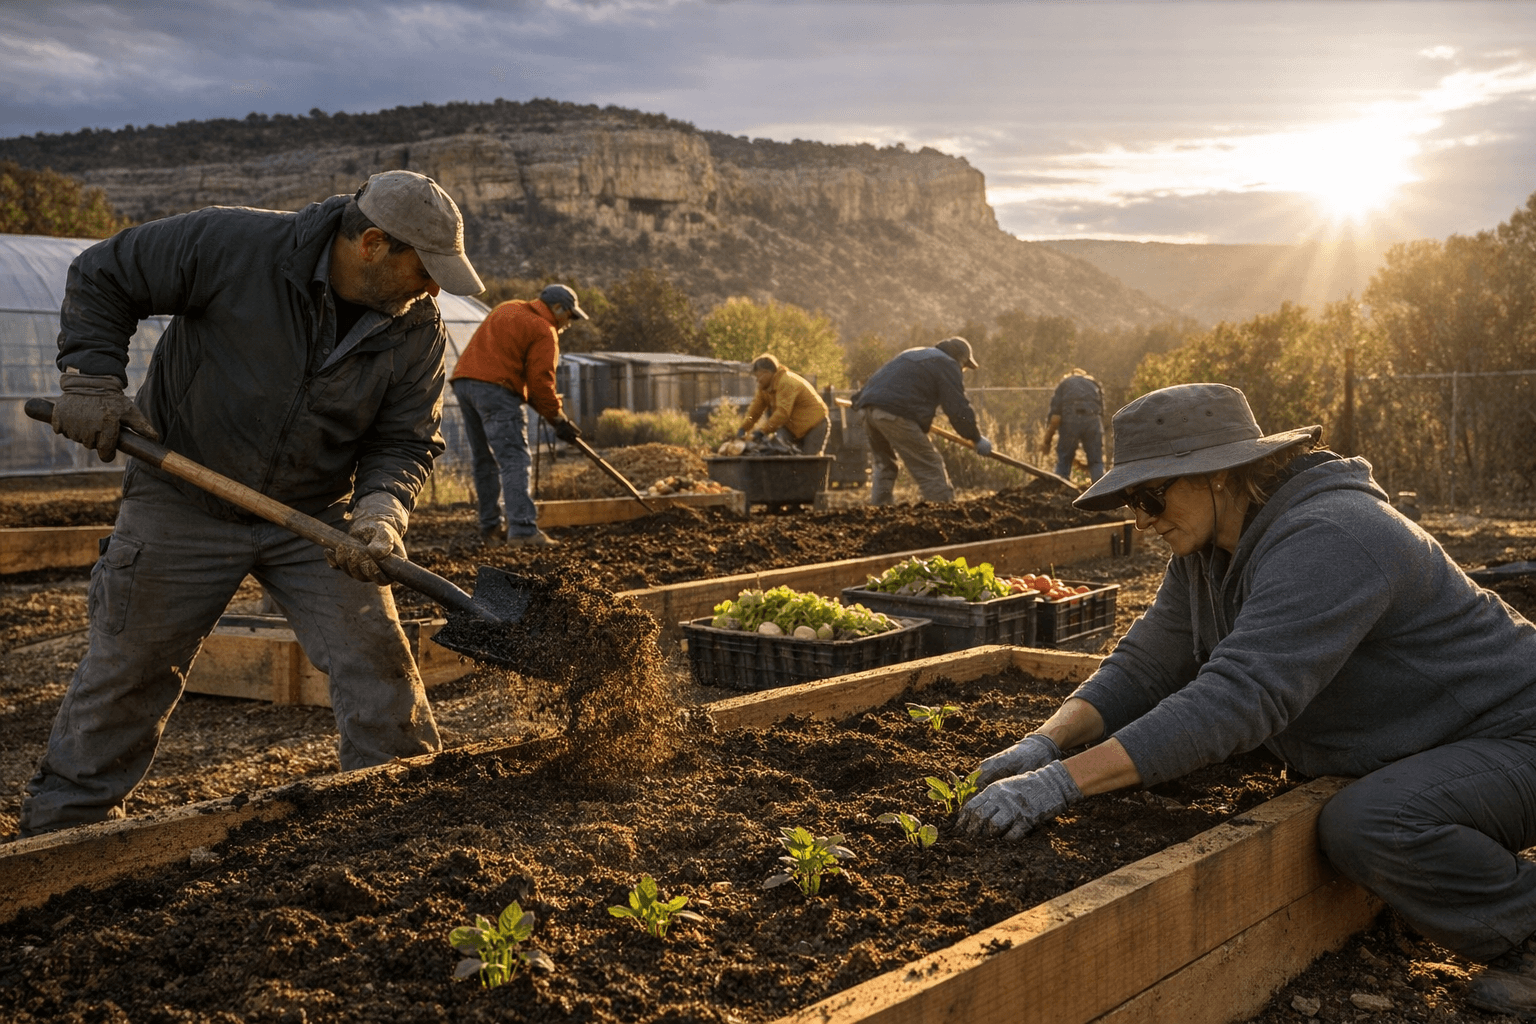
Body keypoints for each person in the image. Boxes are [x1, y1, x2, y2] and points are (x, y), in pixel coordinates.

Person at [956, 382, 1536, 1018]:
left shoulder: (1334, 535)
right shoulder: (1208, 550)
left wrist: (1059, 786)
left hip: (1513, 734)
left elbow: (1240, 696)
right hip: (1436, 734)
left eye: (1152, 496)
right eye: (1132, 501)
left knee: (1369, 824)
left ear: (1220, 475)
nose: (1142, 519)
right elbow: (1148, 663)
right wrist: (1044, 743)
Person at [20, 169, 484, 837]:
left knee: (375, 662)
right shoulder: (233, 245)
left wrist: (382, 511)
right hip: (183, 498)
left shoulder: (417, 331)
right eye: (428, 268)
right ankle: (63, 838)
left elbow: (404, 440)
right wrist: (92, 380)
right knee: (130, 672)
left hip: (314, 518)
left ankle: (394, 821)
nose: (436, 287)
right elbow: (104, 273)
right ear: (374, 244)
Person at [450, 284, 586, 547]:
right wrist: (558, 419)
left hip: (465, 384)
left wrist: (552, 414)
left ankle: (491, 529)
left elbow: (516, 372)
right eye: (569, 316)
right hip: (496, 390)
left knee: (484, 461)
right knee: (514, 458)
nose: (569, 324)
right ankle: (523, 530)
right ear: (557, 308)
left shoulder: (508, 307)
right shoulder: (544, 330)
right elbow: (540, 382)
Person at [850, 336, 992, 504]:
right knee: (930, 465)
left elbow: (880, 382)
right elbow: (957, 407)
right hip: (894, 413)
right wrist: (975, 437)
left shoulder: (912, 354)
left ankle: (879, 512)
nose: (962, 370)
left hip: (867, 409)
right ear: (959, 359)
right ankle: (944, 512)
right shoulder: (947, 364)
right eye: (965, 366)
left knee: (884, 465)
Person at [735, 353, 830, 454]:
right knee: (775, 449)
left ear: (767, 373)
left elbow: (782, 413)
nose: (757, 380)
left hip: (815, 425)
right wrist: (743, 428)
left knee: (809, 460)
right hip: (793, 427)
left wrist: (762, 431)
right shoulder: (764, 388)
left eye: (758, 376)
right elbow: (755, 412)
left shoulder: (786, 383)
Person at [1041, 367, 1104, 482]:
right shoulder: (1093, 383)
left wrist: (1047, 441)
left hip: (1070, 421)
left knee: (1064, 459)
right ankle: (1101, 490)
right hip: (1093, 420)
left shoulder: (1064, 383)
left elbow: (1055, 418)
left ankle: (1060, 488)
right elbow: (1101, 413)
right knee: (1096, 461)